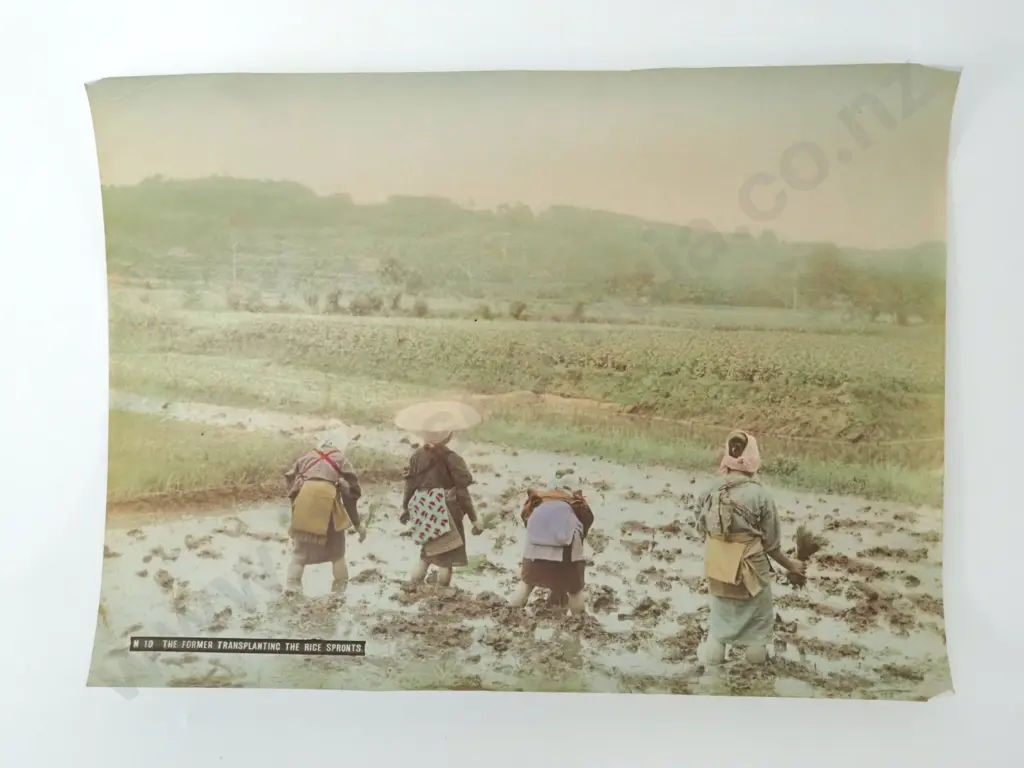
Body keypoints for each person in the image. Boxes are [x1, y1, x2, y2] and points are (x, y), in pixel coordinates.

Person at [693, 430, 805, 665]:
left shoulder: (708, 492)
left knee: (718, 629)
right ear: (754, 458)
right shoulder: (760, 495)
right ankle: (754, 683)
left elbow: (701, 528)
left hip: (719, 567)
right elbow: (772, 546)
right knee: (757, 634)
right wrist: (792, 565)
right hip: (752, 572)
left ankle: (712, 678)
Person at [283, 438, 367, 596]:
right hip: (327, 505)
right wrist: (357, 525)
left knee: (299, 555)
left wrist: (297, 512)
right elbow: (351, 498)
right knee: (337, 554)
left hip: (304, 504)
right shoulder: (341, 460)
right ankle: (339, 594)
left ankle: (291, 591)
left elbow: (291, 486)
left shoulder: (306, 458)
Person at [400, 430, 482, 588]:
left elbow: (410, 485)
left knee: (426, 554)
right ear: (448, 436)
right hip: (445, 507)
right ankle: (441, 593)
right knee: (447, 558)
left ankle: (413, 587)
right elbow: (462, 492)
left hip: (423, 506)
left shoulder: (416, 456)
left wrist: (405, 508)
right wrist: (474, 518)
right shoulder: (452, 458)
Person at [509, 474, 594, 615]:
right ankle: (579, 621)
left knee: (526, 584)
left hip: (533, 554)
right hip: (566, 556)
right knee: (574, 591)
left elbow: (526, 520)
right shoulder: (578, 504)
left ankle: (510, 613)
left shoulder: (538, 501)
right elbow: (586, 524)